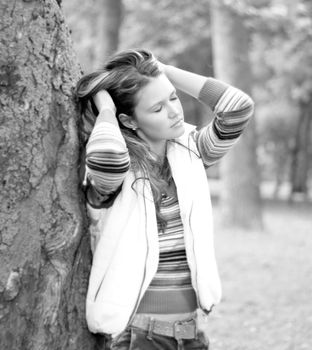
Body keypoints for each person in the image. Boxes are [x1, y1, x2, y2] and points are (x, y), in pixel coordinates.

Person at [76, 48, 254, 350]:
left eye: (173, 98)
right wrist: (105, 109)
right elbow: (109, 158)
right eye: (157, 108)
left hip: (192, 333)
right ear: (129, 121)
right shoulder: (117, 174)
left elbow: (238, 108)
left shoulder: (191, 153)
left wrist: (161, 71)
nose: (174, 111)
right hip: (138, 336)